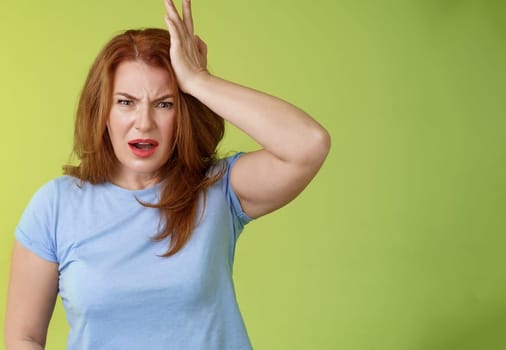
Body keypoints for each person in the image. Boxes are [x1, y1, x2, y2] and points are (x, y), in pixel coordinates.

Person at [4, 0, 330, 348]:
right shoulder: (56, 205)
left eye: (164, 103)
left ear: (183, 112)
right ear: (103, 112)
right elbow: (23, 337)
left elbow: (308, 144)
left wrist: (199, 80)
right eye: (126, 102)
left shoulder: (218, 189)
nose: (144, 123)